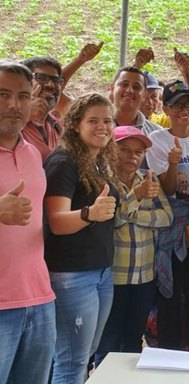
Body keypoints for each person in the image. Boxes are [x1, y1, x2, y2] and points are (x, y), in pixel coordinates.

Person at [43, 93, 119, 383]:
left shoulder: (97, 160)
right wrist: (89, 213)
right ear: (75, 124)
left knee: (84, 354)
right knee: (71, 361)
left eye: (107, 121)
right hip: (71, 275)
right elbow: (57, 222)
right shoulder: (64, 162)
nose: (103, 127)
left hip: (99, 271)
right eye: (93, 121)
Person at [146, 80, 189, 352]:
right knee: (171, 292)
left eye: (188, 104)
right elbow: (168, 189)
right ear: (165, 109)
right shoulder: (156, 141)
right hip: (170, 229)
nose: (183, 111)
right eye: (176, 106)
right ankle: (168, 352)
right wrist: (173, 163)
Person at [95, 126, 172, 364]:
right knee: (107, 341)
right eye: (125, 150)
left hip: (144, 276)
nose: (133, 156)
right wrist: (136, 197)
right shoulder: (102, 182)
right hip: (113, 277)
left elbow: (166, 218)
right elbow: (110, 221)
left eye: (138, 152)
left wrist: (131, 213)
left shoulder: (150, 178)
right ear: (110, 150)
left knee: (133, 339)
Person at [0, 61, 56, 384]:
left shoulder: (33, 153)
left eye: (22, 96)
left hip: (38, 299)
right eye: (3, 95)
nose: (13, 105)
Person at [20, 56, 65, 160]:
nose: (51, 85)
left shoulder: (58, 126)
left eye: (56, 80)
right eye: (41, 77)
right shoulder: (7, 118)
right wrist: (24, 114)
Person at [110, 66, 163, 135]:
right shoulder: (96, 127)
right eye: (124, 84)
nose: (130, 90)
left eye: (136, 87)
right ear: (112, 88)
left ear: (144, 94)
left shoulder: (156, 134)